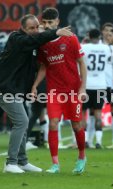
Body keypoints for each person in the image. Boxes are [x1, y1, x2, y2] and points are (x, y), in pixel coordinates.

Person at [0, 14, 73, 174]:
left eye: (37, 27)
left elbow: (32, 66)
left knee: (22, 122)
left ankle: (22, 161)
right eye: (31, 28)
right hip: (4, 88)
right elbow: (32, 41)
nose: (35, 30)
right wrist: (55, 32)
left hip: (15, 89)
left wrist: (31, 89)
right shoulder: (16, 38)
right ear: (22, 28)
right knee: (22, 121)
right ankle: (11, 163)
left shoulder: (33, 44)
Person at [32, 8, 87, 174]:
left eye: (51, 22)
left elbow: (82, 64)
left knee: (76, 125)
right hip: (54, 90)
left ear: (57, 22)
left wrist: (82, 88)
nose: (47, 26)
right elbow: (43, 67)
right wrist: (35, 85)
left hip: (72, 90)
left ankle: (82, 157)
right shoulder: (43, 43)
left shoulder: (70, 39)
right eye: (45, 23)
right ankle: (55, 164)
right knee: (53, 123)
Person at [81, 29, 111, 149]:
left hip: (87, 85)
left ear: (89, 36)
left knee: (84, 114)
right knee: (98, 114)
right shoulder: (106, 48)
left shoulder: (84, 47)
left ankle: (85, 141)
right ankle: (98, 142)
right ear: (99, 36)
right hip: (100, 85)